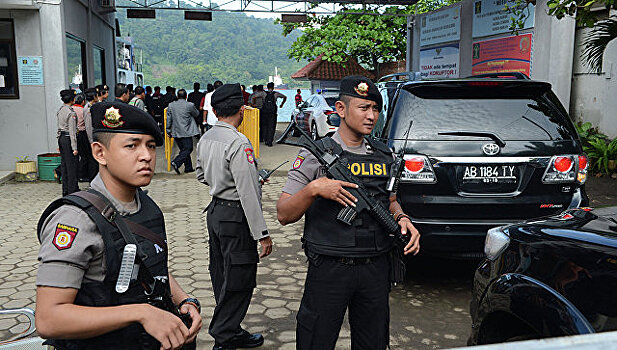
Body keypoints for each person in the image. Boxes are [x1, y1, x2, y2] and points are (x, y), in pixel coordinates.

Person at [35, 101, 203, 350]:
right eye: (132, 146)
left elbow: (148, 266)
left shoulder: (145, 204)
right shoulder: (75, 220)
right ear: (99, 153)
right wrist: (142, 313)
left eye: (151, 146)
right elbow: (49, 319)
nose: (146, 155)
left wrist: (183, 300)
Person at [276, 75, 421, 350]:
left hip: (375, 268)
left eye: (376, 109)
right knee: (315, 340)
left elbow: (390, 201)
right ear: (341, 110)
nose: (371, 116)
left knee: (374, 342)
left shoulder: (384, 154)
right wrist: (314, 189)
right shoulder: (315, 155)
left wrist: (403, 219)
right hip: (330, 268)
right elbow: (283, 213)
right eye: (363, 108)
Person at [195, 83, 273, 350]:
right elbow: (248, 193)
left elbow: (200, 175)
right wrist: (262, 234)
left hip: (216, 212)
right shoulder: (239, 142)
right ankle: (224, 335)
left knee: (221, 273)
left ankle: (231, 328)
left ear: (215, 111)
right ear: (241, 110)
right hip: (235, 216)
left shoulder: (206, 138)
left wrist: (221, 181)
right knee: (240, 277)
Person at [166, 89, 200, 174]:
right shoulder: (190, 105)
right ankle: (176, 162)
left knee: (183, 150)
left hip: (176, 131)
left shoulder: (171, 105)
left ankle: (188, 168)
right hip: (186, 131)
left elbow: (169, 119)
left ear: (177, 96)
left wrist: (168, 130)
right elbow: (196, 114)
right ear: (186, 96)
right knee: (188, 149)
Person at [56, 89, 80, 196]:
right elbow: (72, 132)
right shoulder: (71, 113)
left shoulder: (61, 110)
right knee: (72, 166)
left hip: (62, 138)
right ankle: (72, 190)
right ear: (72, 99)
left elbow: (59, 129)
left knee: (64, 165)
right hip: (68, 139)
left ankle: (65, 189)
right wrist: (74, 147)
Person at [81, 88, 98, 181]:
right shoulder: (88, 109)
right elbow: (88, 126)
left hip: (93, 137)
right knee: (92, 161)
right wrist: (91, 141)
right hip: (90, 138)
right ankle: (92, 180)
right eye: (96, 95)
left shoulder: (93, 106)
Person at [261, 82, 286, 147]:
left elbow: (254, 97)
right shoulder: (276, 94)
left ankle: (265, 139)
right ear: (273, 87)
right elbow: (284, 97)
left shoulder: (263, 93)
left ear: (267, 87)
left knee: (265, 126)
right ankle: (270, 141)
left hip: (264, 112)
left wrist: (255, 103)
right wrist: (282, 104)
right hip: (272, 113)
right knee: (271, 126)